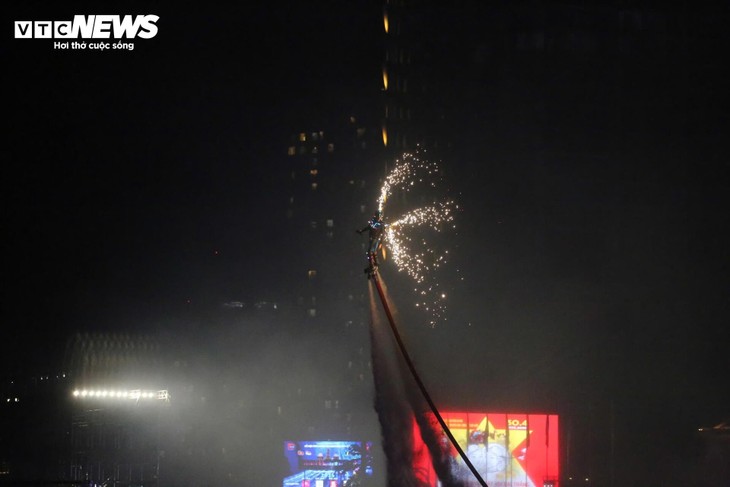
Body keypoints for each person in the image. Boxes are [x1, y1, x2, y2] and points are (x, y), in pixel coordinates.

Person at [356, 210, 385, 274]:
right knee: (372, 252)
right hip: (374, 239)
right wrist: (361, 231)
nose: (377, 217)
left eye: (378, 215)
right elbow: (368, 227)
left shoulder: (380, 224)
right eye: (377, 215)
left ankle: (373, 265)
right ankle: (375, 264)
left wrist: (381, 242)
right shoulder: (375, 222)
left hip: (375, 239)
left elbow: (382, 233)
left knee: (369, 252)